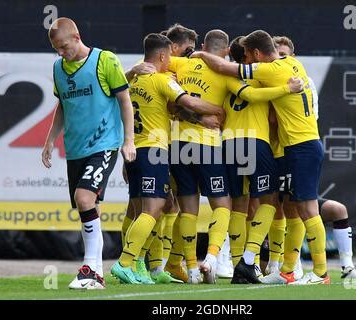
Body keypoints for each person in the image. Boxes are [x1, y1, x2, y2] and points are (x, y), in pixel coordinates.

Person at [192, 30, 329, 285]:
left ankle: (255, 265)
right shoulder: (293, 67)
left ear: (255, 54)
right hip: (274, 144)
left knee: (245, 206)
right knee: (280, 204)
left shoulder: (242, 76)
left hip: (246, 144)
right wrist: (285, 89)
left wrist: (198, 55)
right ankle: (264, 263)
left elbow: (223, 72)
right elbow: (265, 108)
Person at [168, 29, 301, 284]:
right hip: (253, 143)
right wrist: (286, 88)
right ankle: (248, 262)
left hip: (226, 144)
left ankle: (224, 264)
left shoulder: (205, 69)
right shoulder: (257, 78)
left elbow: (159, 65)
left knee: (235, 206)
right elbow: (260, 103)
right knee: (268, 202)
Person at [110, 33, 224, 285]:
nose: (171, 60)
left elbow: (167, 109)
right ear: (163, 55)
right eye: (170, 56)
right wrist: (218, 110)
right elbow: (189, 102)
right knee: (153, 209)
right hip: (154, 150)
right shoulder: (162, 80)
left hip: (134, 150)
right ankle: (126, 262)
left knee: (156, 207)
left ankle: (145, 265)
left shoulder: (133, 81)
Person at [42, 17, 136, 290]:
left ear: (76, 37)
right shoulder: (59, 67)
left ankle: (90, 269)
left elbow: (124, 100)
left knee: (83, 198)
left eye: (63, 47)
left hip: (104, 144)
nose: (61, 53)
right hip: (75, 148)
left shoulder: (105, 60)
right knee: (90, 206)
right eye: (56, 49)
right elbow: (62, 106)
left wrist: (128, 141)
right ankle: (94, 272)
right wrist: (50, 140)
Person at [272, 35, 356, 280]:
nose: (280, 60)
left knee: (306, 209)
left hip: (295, 152)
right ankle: (282, 267)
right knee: (273, 209)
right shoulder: (273, 79)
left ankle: (329, 269)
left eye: (284, 55)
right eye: (277, 55)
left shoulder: (302, 83)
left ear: (292, 58)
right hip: (277, 155)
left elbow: (296, 120)